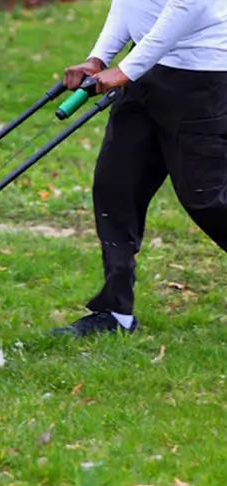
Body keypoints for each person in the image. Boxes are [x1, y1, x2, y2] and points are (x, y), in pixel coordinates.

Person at [50, 0, 227, 337]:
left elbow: (188, 5)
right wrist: (99, 58)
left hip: (202, 75)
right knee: (116, 187)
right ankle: (116, 313)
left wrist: (127, 68)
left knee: (207, 198)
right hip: (144, 69)